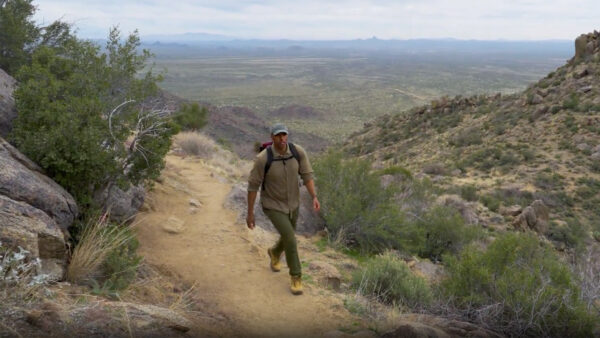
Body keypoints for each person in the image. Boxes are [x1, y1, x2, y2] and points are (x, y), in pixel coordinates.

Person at [246, 123, 320, 295]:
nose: (282, 138)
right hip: (272, 205)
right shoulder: (263, 159)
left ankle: (274, 252)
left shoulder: (297, 152)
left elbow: (307, 175)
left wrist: (314, 196)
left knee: (288, 237)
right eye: (278, 135)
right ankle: (296, 277)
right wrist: (250, 214)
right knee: (290, 239)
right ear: (272, 138)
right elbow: (252, 187)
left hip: (293, 204)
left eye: (284, 135)